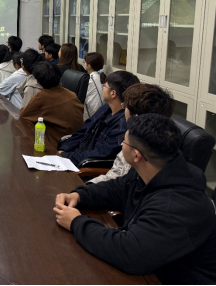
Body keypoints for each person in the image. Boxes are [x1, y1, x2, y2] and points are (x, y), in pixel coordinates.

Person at [54, 114, 216, 285]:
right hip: (156, 266)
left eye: (124, 142)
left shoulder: (176, 206)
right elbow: (117, 189)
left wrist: (76, 222)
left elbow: (129, 253)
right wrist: (79, 196)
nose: (121, 145)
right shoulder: (154, 168)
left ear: (136, 155)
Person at [89, 83, 174, 184]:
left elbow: (120, 184)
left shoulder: (134, 143)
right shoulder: (161, 144)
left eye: (125, 106)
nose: (123, 109)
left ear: (136, 118)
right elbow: (115, 174)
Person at [58, 71, 140, 166]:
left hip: (86, 167)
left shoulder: (122, 125)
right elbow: (83, 131)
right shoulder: (106, 108)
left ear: (113, 93)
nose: (102, 88)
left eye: (104, 86)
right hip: (76, 156)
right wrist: (64, 149)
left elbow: (99, 154)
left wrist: (65, 156)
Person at [20, 62, 84, 146]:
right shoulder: (71, 94)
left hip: (58, 144)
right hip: (78, 141)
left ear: (38, 81)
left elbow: (23, 114)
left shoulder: (42, 96)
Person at [83, 52, 107, 120]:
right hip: (102, 113)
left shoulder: (90, 79)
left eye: (85, 62)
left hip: (91, 115)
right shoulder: (102, 77)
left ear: (89, 65)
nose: (84, 63)